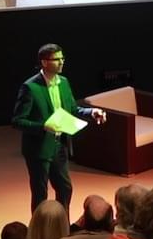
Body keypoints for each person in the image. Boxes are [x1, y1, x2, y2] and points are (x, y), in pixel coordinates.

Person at [12, 43, 107, 213]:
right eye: (57, 59)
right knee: (40, 194)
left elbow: (72, 109)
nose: (62, 62)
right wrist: (43, 127)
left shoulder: (64, 82)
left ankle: (62, 225)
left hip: (59, 145)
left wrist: (92, 111)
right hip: (38, 149)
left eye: (62, 58)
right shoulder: (30, 87)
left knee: (65, 188)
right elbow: (18, 121)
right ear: (44, 62)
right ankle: (40, 232)